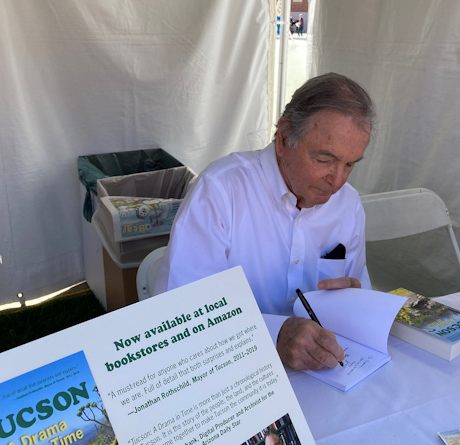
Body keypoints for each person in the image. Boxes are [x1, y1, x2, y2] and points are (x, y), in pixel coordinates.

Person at [154, 72, 374, 371]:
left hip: (323, 375)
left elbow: (359, 295)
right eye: (324, 159)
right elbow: (179, 317)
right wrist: (273, 337)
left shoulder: (347, 204)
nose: (337, 180)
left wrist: (353, 304)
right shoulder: (220, 191)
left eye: (350, 164)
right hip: (228, 373)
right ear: (283, 138)